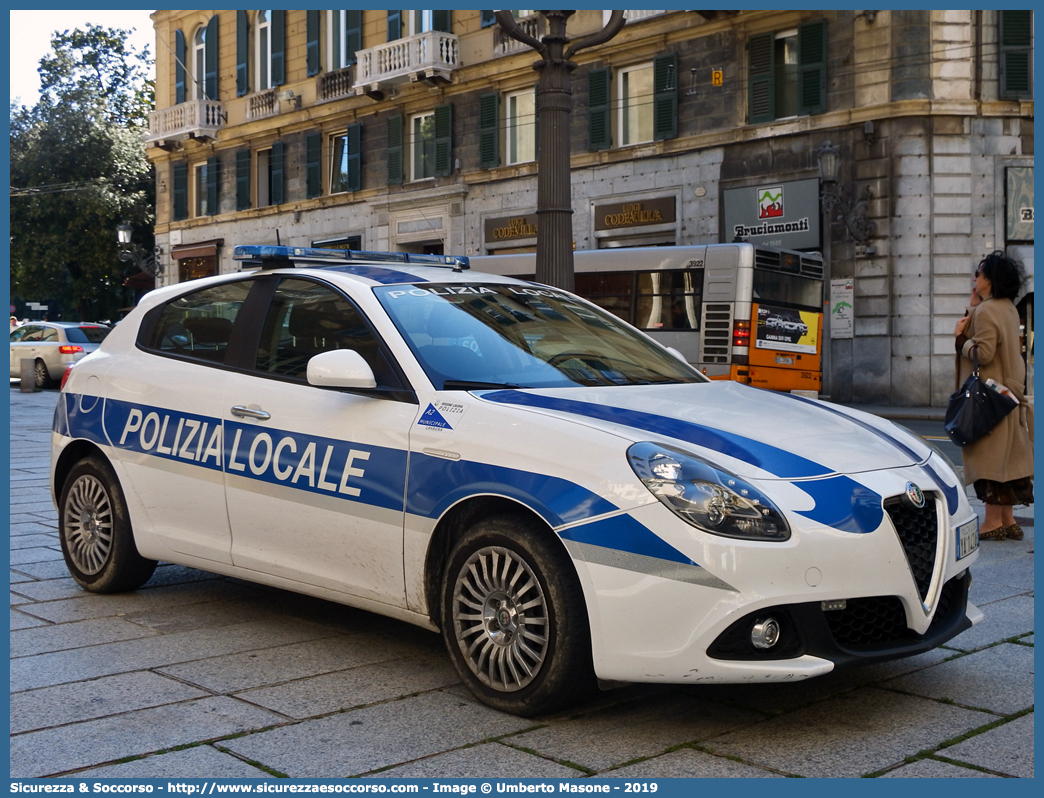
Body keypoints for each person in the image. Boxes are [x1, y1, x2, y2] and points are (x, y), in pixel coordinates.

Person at [953, 251, 1034, 540]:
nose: (975, 279)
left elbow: (983, 353)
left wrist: (961, 341)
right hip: (1008, 393)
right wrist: (974, 306)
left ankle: (991, 522)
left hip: (989, 397)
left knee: (989, 459)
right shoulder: (1008, 308)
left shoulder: (987, 311)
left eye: (979, 274)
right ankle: (1008, 519)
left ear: (990, 280)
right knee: (1009, 459)